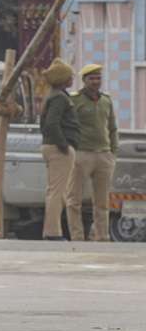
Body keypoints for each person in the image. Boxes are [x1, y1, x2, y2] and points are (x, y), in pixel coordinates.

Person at [66, 64, 119, 241]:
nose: (96, 82)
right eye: (92, 79)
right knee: (74, 199)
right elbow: (68, 125)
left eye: (98, 78)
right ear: (84, 81)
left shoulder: (106, 100)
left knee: (102, 201)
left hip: (104, 154)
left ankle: (102, 237)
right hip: (82, 154)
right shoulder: (75, 100)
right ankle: (77, 237)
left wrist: (113, 152)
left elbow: (112, 128)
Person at [40, 59, 79, 241]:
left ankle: (51, 231)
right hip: (58, 148)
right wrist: (64, 145)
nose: (72, 78)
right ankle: (53, 233)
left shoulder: (54, 95)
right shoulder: (60, 98)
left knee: (54, 191)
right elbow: (52, 123)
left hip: (52, 146)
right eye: (70, 76)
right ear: (64, 78)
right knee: (57, 192)